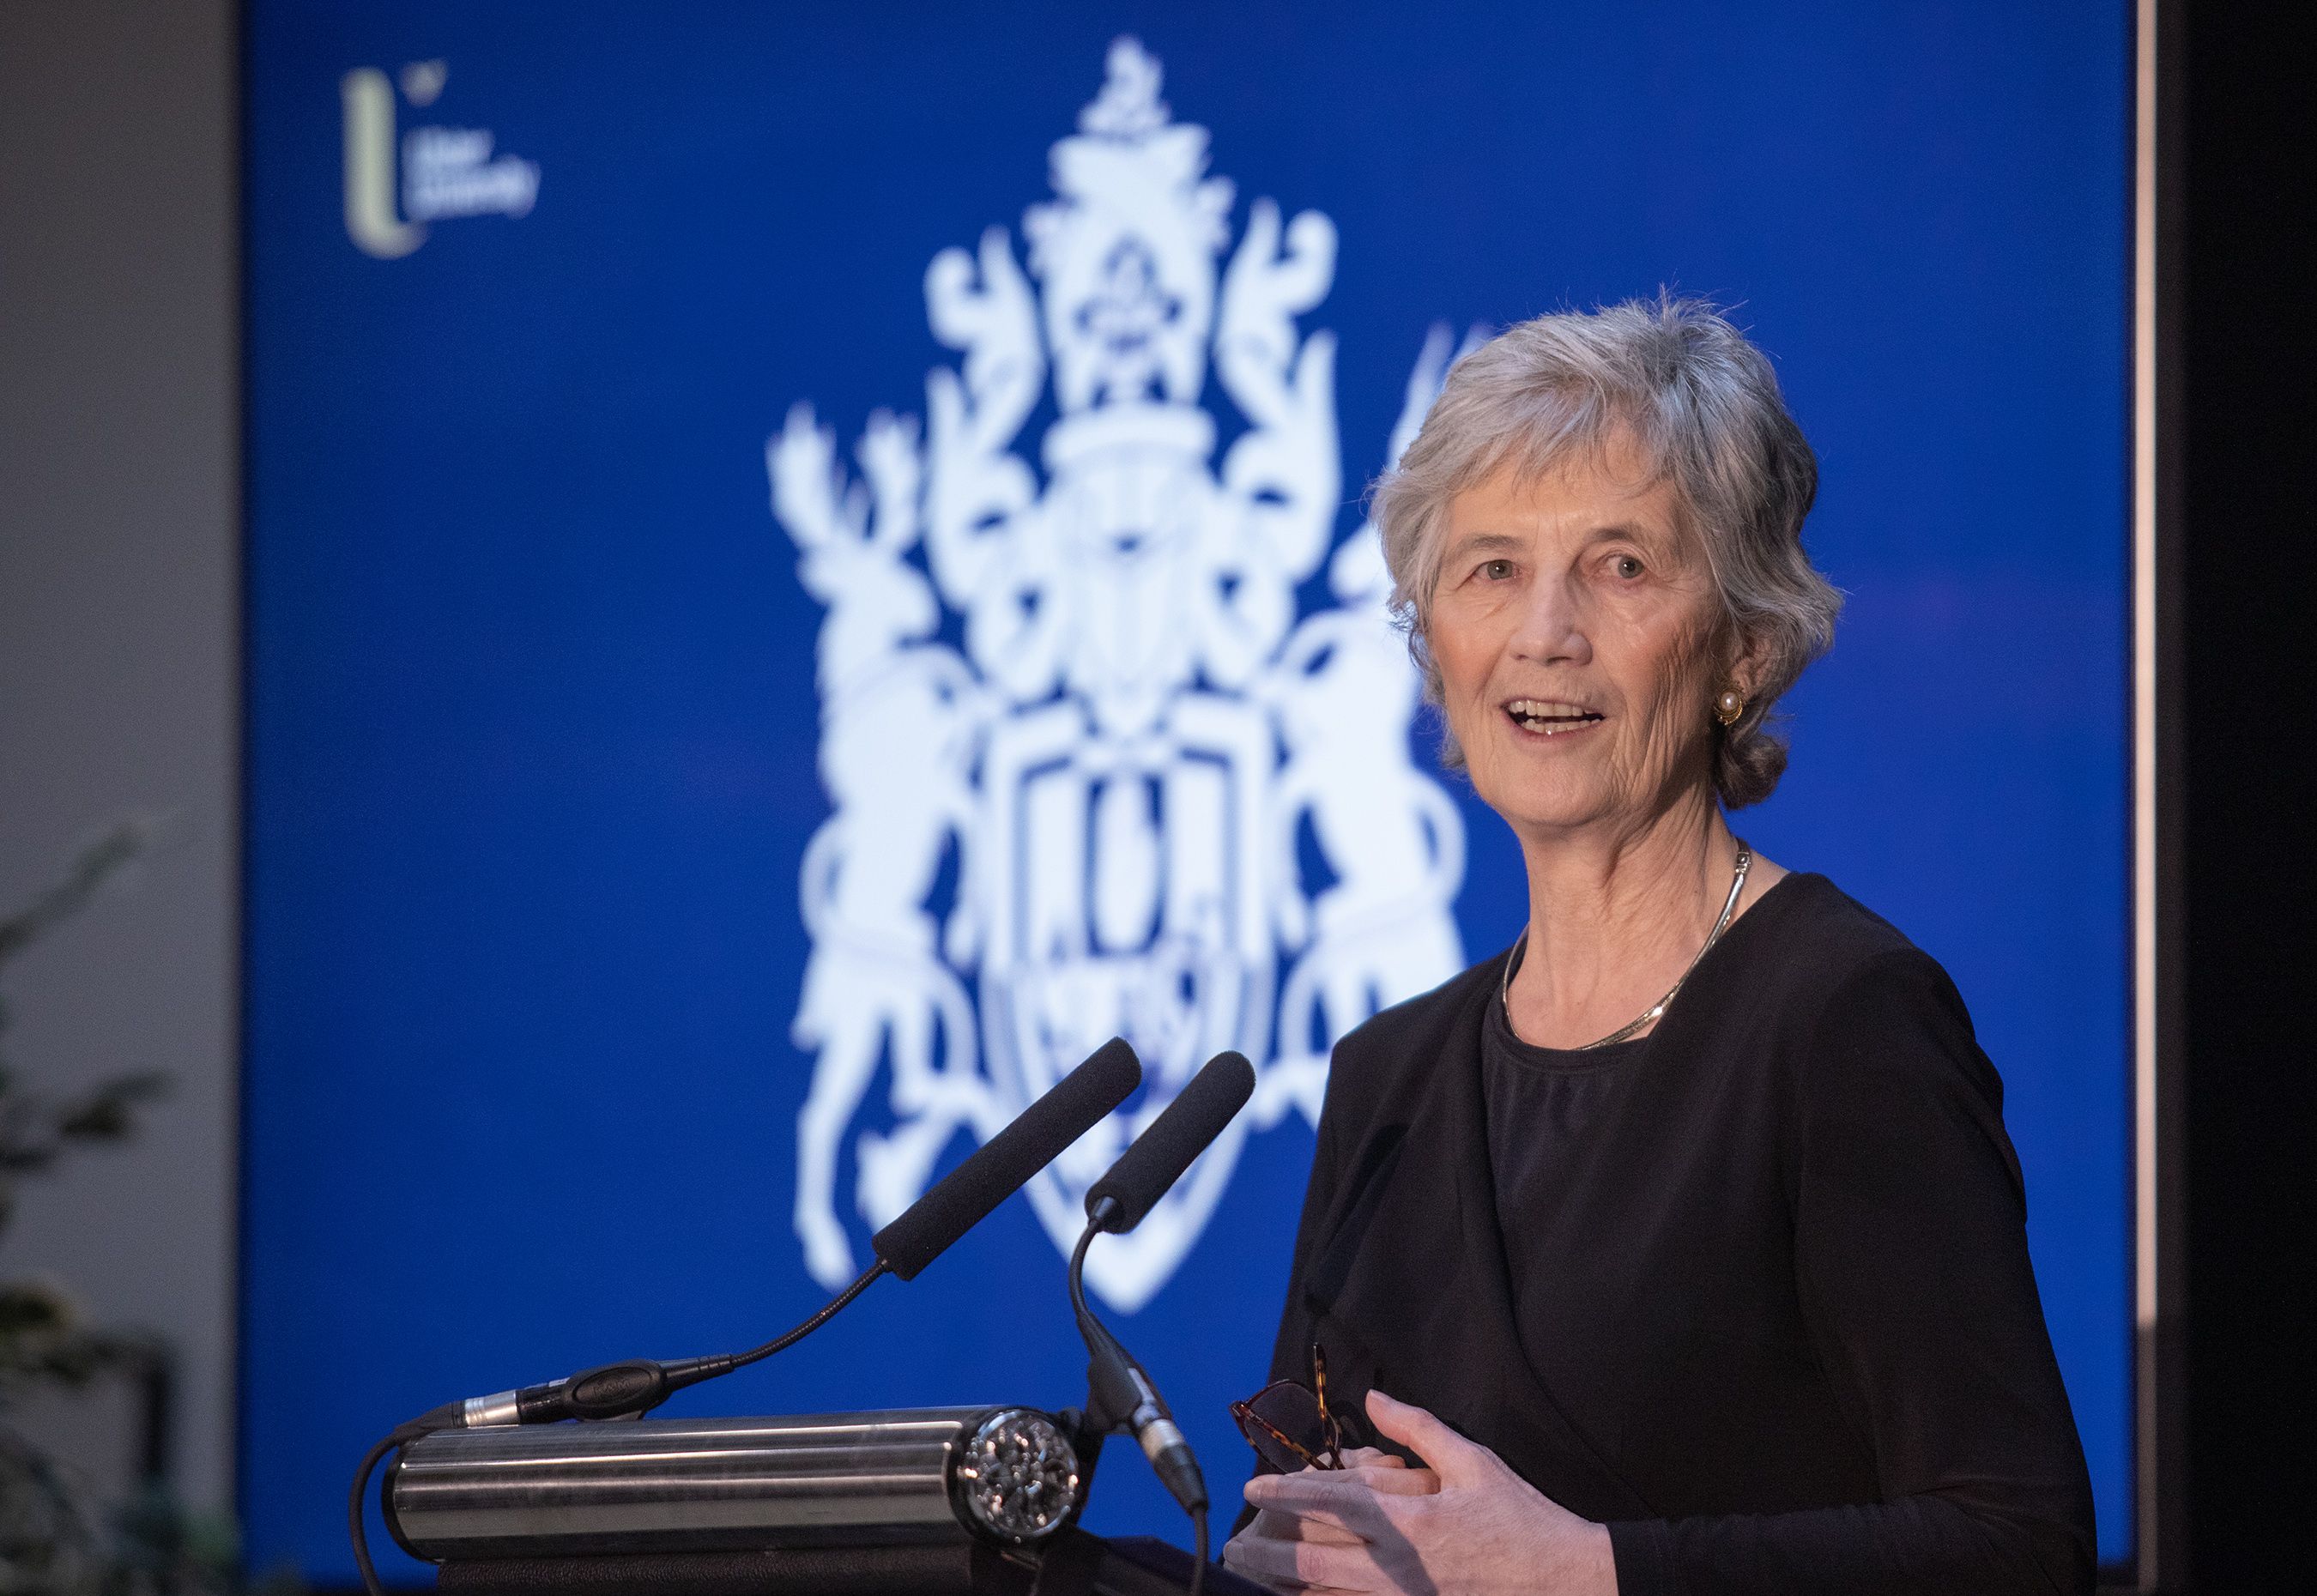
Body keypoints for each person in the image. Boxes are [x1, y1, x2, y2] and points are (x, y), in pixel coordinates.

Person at [1219, 299, 2095, 1595]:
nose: (1546, 633)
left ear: (1741, 648)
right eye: (1492, 569)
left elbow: (2017, 1546)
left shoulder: (1840, 1020)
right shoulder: (1387, 1082)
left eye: (1621, 566)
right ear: (1434, 644)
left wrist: (1581, 1571)